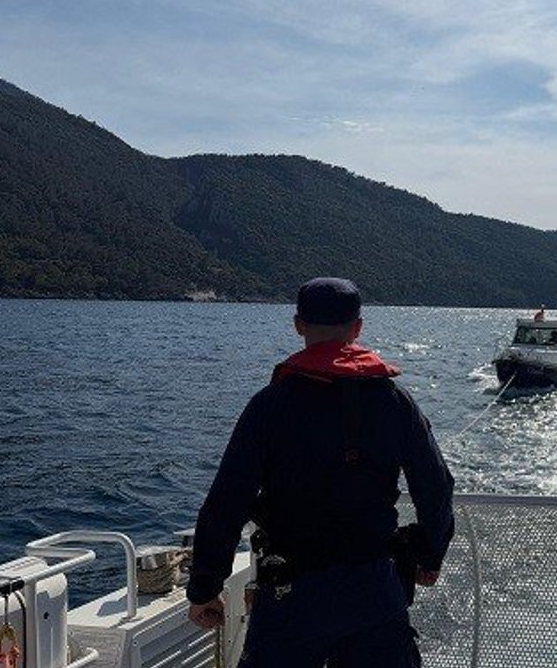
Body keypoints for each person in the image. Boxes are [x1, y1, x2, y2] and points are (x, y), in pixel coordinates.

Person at [186, 277, 455, 667]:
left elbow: (228, 501)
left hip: (291, 600)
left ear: (299, 325)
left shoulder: (269, 405)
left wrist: (205, 587)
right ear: (358, 327)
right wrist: (429, 556)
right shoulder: (396, 403)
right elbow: (436, 489)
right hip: (375, 594)